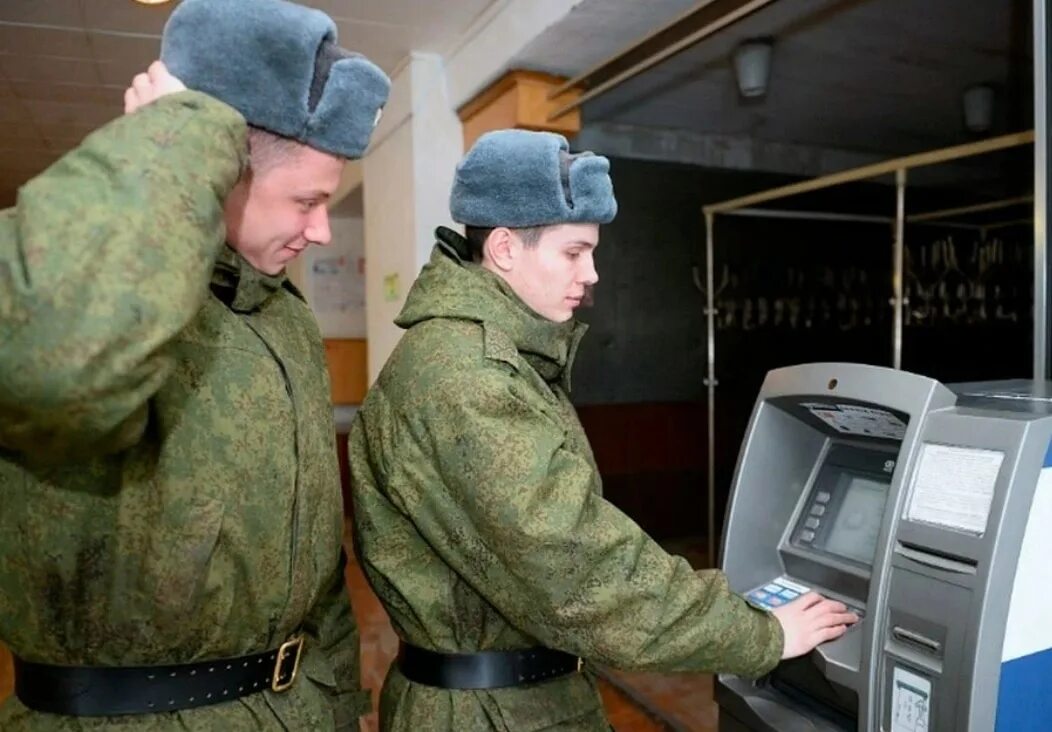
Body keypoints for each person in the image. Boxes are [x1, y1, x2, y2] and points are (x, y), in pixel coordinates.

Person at [348, 129, 857, 731]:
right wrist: (759, 634)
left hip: (512, 701)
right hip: (491, 714)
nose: (591, 273)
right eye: (573, 252)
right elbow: (580, 567)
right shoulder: (468, 377)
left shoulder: (492, 354)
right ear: (506, 248)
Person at [0, 0, 389, 729]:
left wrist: (335, 704)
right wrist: (179, 138)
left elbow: (316, 572)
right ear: (220, 171)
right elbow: (56, 371)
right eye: (305, 200)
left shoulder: (283, 316)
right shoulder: (61, 277)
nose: (321, 228)